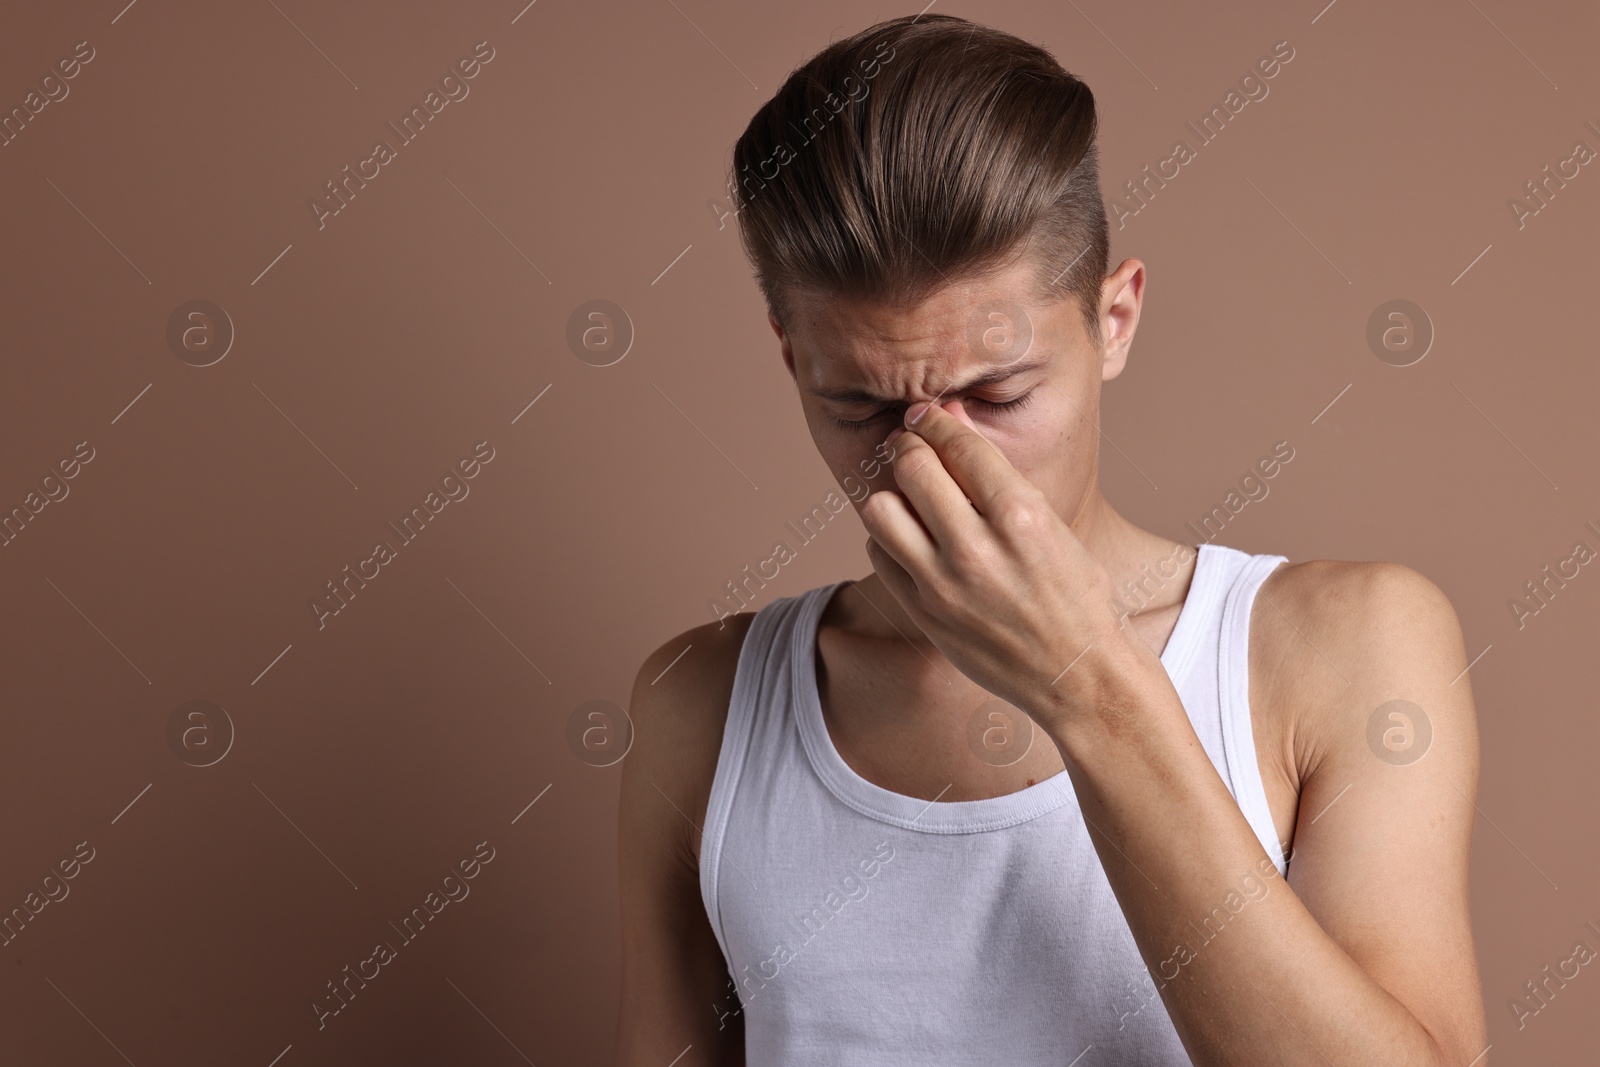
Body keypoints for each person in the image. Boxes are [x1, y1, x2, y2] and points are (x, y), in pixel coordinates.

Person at [614, 13, 1487, 1065]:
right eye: (859, 407)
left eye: (995, 391)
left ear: (1111, 321)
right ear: (790, 357)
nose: (930, 461)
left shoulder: (1342, 644)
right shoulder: (702, 701)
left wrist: (1089, 686)